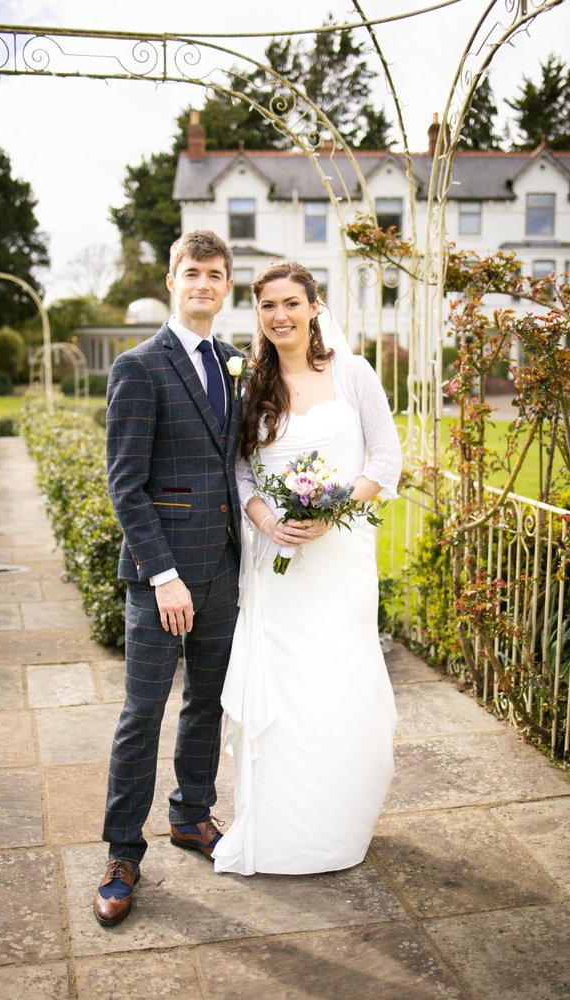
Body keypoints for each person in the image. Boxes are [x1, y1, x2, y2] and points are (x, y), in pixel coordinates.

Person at [212, 260, 402, 876]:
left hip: (341, 558)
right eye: (268, 306)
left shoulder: (354, 373)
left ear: (314, 306)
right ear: (257, 313)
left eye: (292, 303)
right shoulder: (251, 386)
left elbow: (386, 459)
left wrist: (331, 511)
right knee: (285, 687)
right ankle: (281, 828)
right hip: (276, 561)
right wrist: (269, 522)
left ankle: (338, 821)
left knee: (339, 678)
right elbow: (241, 472)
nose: (281, 316)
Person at [94, 230, 244, 926]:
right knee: (142, 714)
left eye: (214, 274)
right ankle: (122, 852)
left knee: (206, 704)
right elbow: (125, 485)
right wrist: (163, 575)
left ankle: (191, 815)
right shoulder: (139, 366)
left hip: (222, 570)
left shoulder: (232, 362)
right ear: (172, 281)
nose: (203, 284)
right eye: (192, 273)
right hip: (162, 580)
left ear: (227, 285)